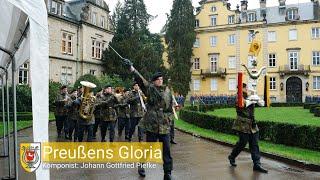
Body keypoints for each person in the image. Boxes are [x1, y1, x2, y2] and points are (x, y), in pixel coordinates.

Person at [126, 60, 174, 180]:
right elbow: (141, 81)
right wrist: (132, 68)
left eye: (161, 79)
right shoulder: (150, 89)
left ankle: (167, 173)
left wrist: (169, 119)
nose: (160, 81)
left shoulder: (168, 91)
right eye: (158, 79)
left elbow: (169, 108)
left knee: (167, 151)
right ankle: (141, 165)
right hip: (152, 125)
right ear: (153, 81)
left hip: (164, 125)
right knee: (148, 148)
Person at [228, 83, 268, 173]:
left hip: (252, 124)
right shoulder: (237, 97)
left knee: (254, 144)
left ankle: (257, 164)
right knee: (242, 143)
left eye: (245, 87)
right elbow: (244, 104)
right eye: (244, 88)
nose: (246, 89)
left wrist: (256, 97)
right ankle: (232, 156)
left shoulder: (250, 96)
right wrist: (253, 98)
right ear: (240, 89)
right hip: (242, 124)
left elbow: (262, 104)